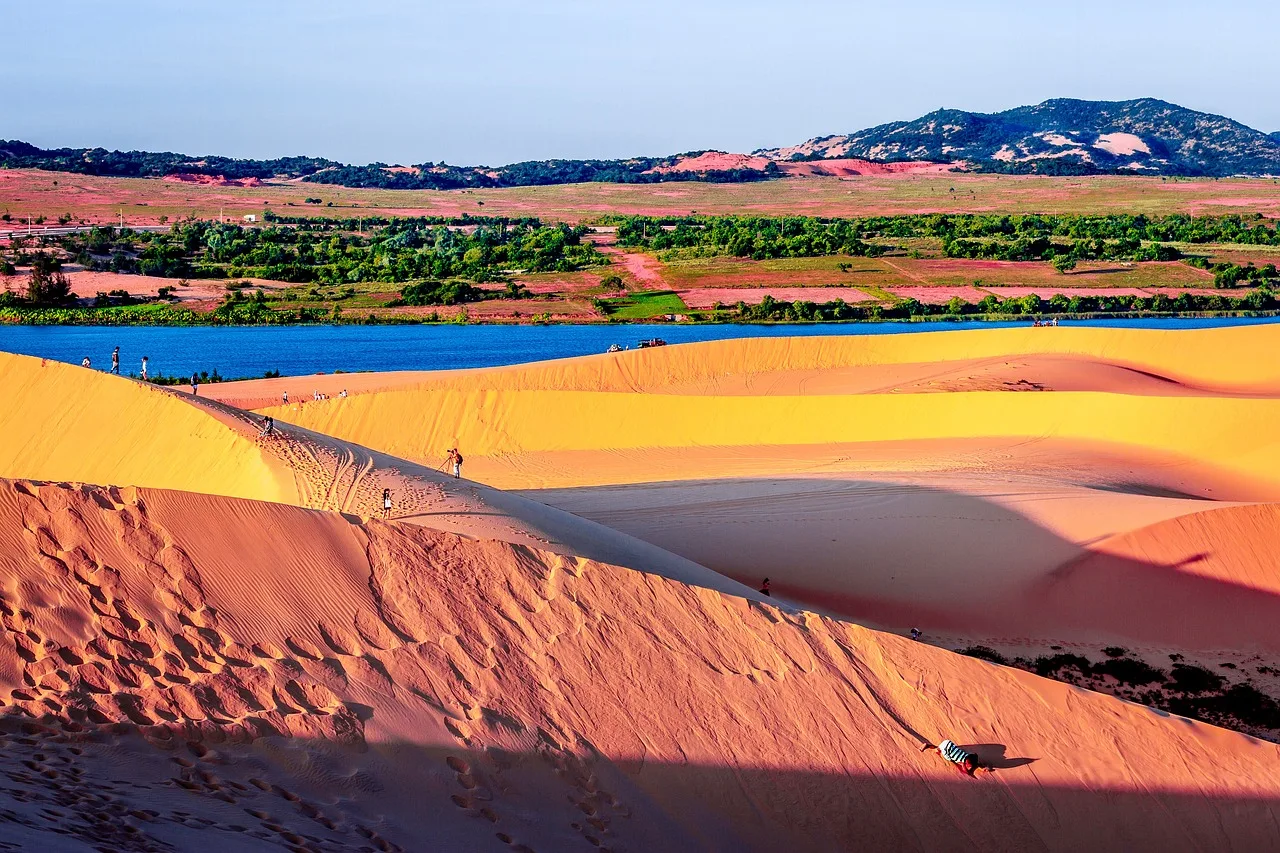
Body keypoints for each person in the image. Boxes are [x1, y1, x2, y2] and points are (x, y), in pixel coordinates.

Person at [923, 740, 989, 777]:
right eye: (969, 765)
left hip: (949, 743)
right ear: (967, 763)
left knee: (937, 747)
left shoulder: (968, 756)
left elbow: (975, 763)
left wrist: (982, 768)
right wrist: (964, 766)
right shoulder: (964, 762)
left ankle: (929, 746)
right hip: (946, 750)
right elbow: (966, 772)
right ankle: (928, 745)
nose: (970, 767)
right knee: (947, 757)